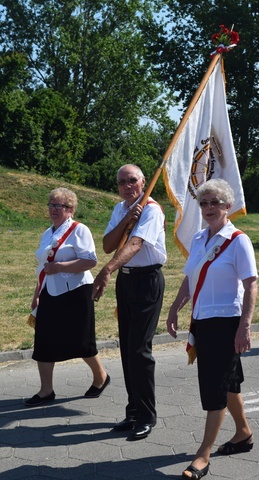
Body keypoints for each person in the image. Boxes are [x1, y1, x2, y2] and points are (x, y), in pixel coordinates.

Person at [166, 178, 258, 479]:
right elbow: (191, 277)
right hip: (203, 321)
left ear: (228, 207)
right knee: (228, 381)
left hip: (227, 322)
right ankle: (243, 433)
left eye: (214, 203)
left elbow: (250, 284)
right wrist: (174, 306)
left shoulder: (238, 240)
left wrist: (245, 326)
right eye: (204, 203)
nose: (208, 208)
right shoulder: (198, 239)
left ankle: (203, 455)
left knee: (215, 386)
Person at [92, 164, 166, 440]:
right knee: (126, 348)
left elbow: (135, 244)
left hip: (147, 281)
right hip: (126, 280)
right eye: (121, 182)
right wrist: (125, 219)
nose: (127, 186)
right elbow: (109, 244)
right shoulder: (120, 209)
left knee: (139, 350)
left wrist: (107, 269)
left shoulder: (151, 209)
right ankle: (133, 411)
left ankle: (147, 415)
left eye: (132, 180)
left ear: (143, 181)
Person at [25, 188, 110, 406]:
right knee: (43, 340)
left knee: (81, 341)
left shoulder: (79, 230)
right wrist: (37, 294)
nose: (54, 209)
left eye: (59, 206)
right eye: (51, 205)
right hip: (49, 291)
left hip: (76, 292)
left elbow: (90, 261)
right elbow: (44, 268)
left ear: (70, 209)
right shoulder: (47, 233)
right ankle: (46, 391)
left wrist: (62, 266)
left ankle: (101, 377)